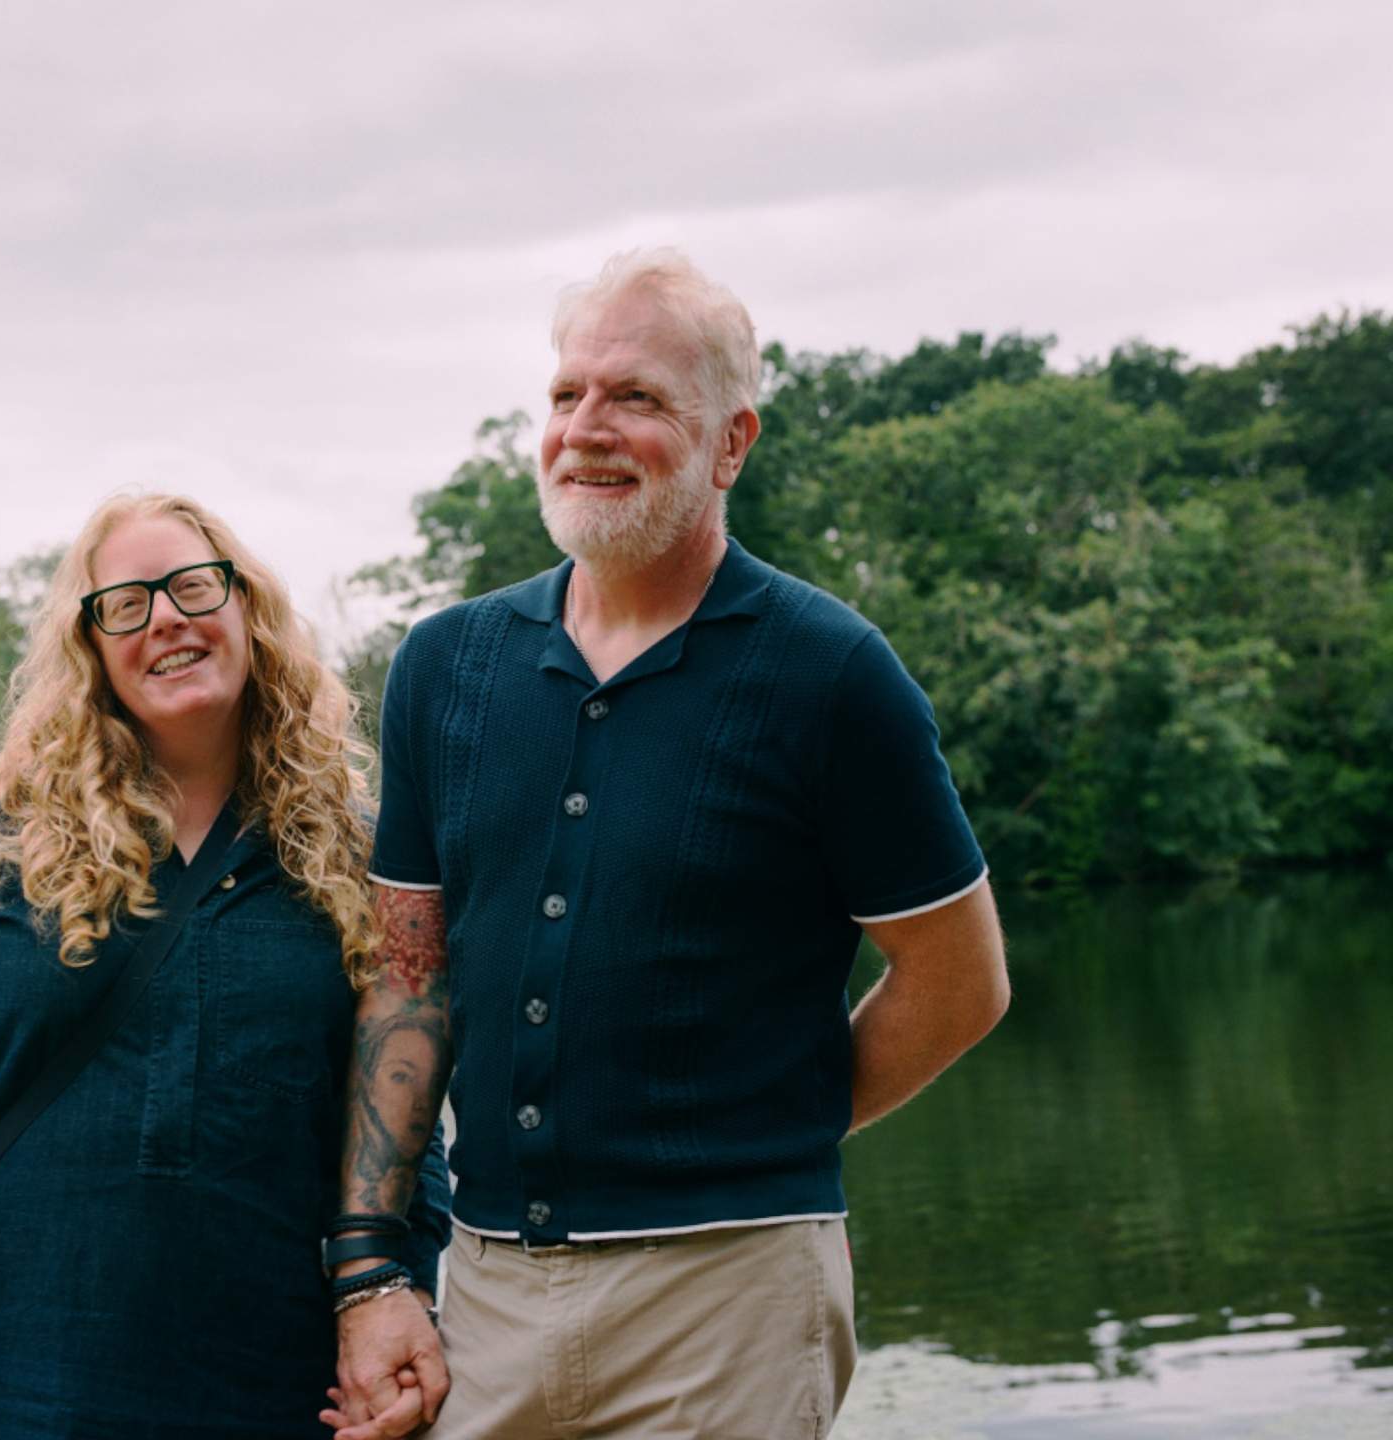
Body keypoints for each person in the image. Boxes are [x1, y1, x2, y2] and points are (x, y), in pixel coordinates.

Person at [325, 249, 1011, 1440]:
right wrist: (375, 1271)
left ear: (730, 443)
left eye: (635, 397)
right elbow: (408, 975)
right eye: (565, 395)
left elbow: (961, 980)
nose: (585, 428)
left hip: (732, 1298)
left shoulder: (832, 675)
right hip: (488, 1291)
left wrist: (771, 1129)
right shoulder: (446, 668)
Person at [0, 493, 451, 1440]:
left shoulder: (355, 847)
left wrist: (394, 1295)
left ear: (245, 607)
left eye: (191, 586)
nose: (164, 616)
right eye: (124, 603)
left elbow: (402, 1112)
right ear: (91, 647)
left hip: (283, 1387)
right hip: (28, 1385)